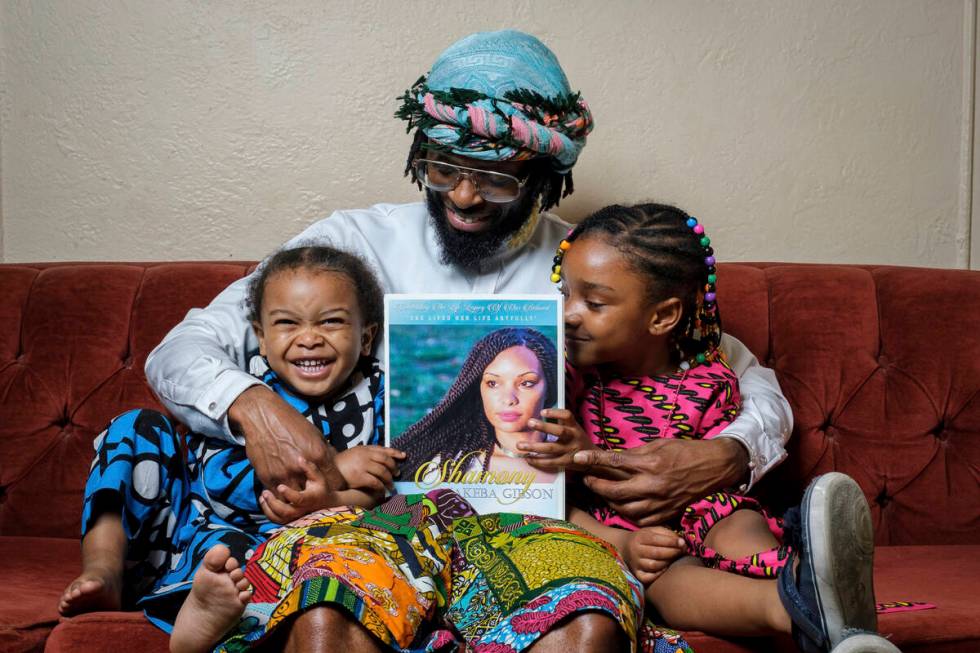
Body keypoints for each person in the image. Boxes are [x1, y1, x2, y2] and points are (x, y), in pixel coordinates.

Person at [143, 29, 792, 651]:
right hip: (372, 520)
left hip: (536, 528)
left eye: (496, 177)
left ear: (544, 173)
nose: (461, 195)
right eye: (442, 167)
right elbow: (181, 348)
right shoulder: (351, 244)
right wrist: (258, 409)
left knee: (587, 623)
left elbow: (733, 367)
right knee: (326, 608)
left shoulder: (587, 268)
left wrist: (732, 452)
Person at [519, 203, 891, 653]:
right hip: (613, 526)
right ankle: (791, 608)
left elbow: (713, 471)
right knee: (664, 581)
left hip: (706, 506)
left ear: (662, 317)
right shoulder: (561, 375)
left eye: (593, 303)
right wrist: (578, 460)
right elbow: (546, 492)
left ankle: (806, 574)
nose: (570, 314)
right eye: (565, 295)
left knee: (740, 523)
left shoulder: (710, 378)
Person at [59, 246, 404, 642]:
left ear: (366, 337)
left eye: (331, 323)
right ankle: (104, 569)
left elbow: (382, 500)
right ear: (261, 335)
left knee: (344, 553)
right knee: (136, 426)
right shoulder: (247, 388)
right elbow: (220, 482)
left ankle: (211, 620)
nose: (309, 339)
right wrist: (338, 470)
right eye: (287, 324)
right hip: (198, 537)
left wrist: (331, 501)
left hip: (295, 551)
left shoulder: (381, 398)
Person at [397, 327, 559, 483]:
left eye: (526, 383)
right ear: (479, 389)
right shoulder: (446, 468)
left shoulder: (572, 455)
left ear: (549, 388)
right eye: (493, 383)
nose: (508, 399)